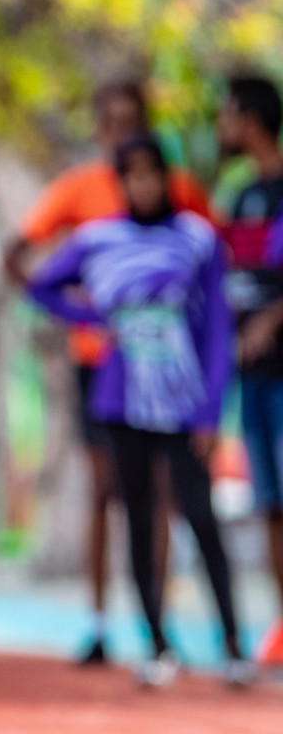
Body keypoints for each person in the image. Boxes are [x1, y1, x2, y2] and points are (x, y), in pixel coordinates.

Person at [28, 135, 250, 688]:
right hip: (120, 398)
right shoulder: (100, 239)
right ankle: (155, 643)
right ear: (121, 182)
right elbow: (43, 284)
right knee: (138, 516)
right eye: (133, 176)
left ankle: (232, 644)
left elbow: (218, 332)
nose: (144, 186)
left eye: (153, 175)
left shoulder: (197, 240)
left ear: (166, 180)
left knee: (200, 516)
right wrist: (89, 317)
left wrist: (210, 413)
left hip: (182, 400)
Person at [3, 79, 213, 664]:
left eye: (131, 120)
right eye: (111, 121)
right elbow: (17, 254)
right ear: (99, 130)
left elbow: (211, 264)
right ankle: (98, 623)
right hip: (103, 365)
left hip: (168, 371)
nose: (120, 132)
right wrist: (81, 312)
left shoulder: (182, 193)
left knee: (163, 494)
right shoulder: (79, 190)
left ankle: (158, 625)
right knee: (107, 490)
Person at [216, 74, 283, 668]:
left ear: (251, 118)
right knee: (269, 500)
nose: (221, 127)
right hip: (255, 376)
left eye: (227, 115)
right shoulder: (241, 196)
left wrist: (270, 320)